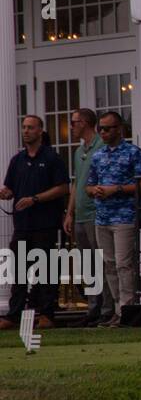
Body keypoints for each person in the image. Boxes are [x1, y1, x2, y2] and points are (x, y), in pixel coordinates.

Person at [0, 117, 71, 331]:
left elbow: (63, 188)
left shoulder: (52, 158)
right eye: (24, 127)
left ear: (40, 130)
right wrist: (6, 193)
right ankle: (14, 315)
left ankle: (47, 313)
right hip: (22, 224)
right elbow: (10, 187)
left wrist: (36, 198)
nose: (26, 131)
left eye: (30, 127)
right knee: (19, 271)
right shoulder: (17, 160)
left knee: (46, 270)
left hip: (45, 223)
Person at [84, 111, 141, 327]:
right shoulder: (98, 156)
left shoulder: (134, 153)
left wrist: (117, 189)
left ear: (119, 129)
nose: (103, 132)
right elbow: (87, 185)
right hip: (102, 216)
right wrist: (95, 190)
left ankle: (127, 309)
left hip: (125, 215)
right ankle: (115, 309)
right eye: (100, 129)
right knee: (109, 264)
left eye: (107, 128)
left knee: (124, 264)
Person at [63, 108, 111, 326]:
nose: (72, 126)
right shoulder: (79, 151)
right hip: (81, 213)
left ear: (84, 123)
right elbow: (76, 183)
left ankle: (108, 308)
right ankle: (93, 308)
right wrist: (70, 212)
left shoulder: (101, 146)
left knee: (103, 261)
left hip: (97, 211)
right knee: (89, 264)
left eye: (74, 122)